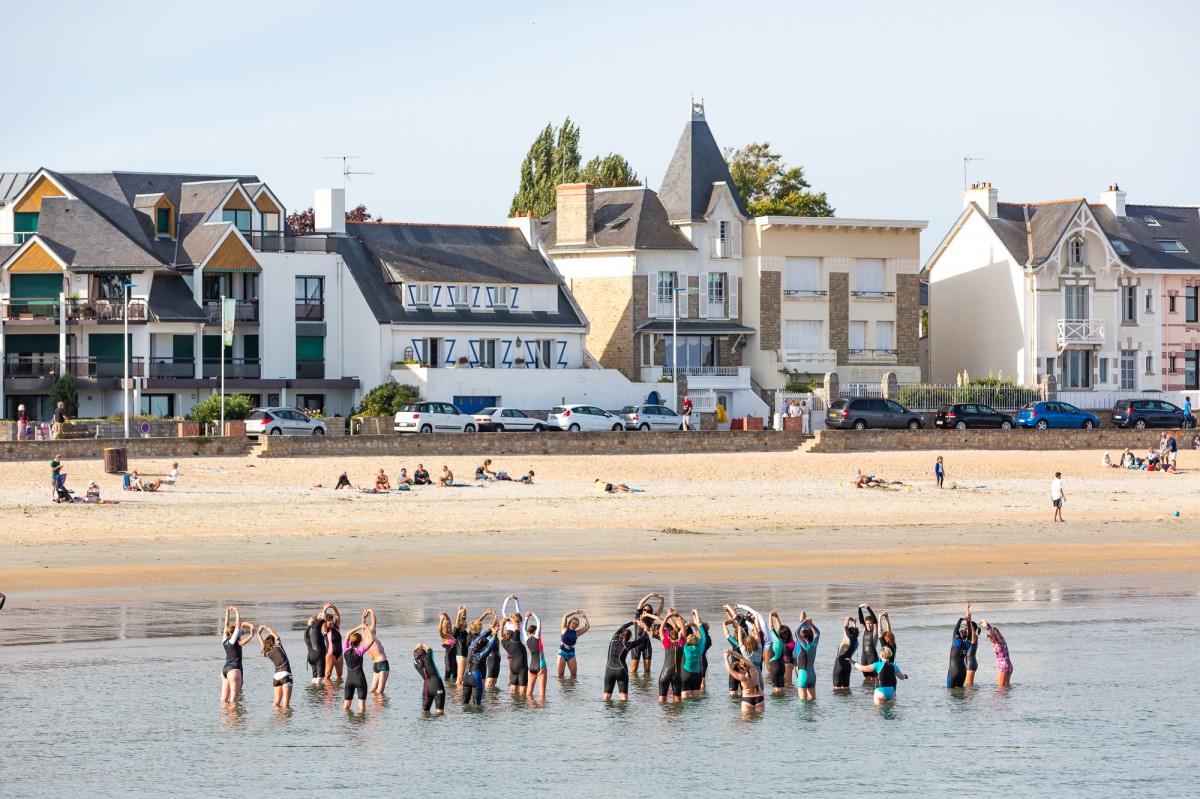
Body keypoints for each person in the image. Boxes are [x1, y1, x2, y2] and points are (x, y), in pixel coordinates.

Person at [602, 619, 648, 701]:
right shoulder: (628, 645)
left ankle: (606, 713)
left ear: (620, 634)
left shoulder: (613, 640)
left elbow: (621, 628)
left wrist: (633, 622)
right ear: (629, 637)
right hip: (621, 670)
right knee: (624, 698)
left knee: (606, 697)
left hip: (609, 670)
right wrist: (645, 629)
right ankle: (622, 713)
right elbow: (641, 640)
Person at [220, 606, 254, 704]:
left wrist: (227, 612)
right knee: (234, 699)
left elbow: (226, 626)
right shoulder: (233, 641)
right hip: (234, 668)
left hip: (224, 670)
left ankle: (223, 717)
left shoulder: (224, 640)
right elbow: (238, 625)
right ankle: (233, 719)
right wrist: (236, 611)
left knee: (223, 699)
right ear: (234, 633)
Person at [463, 620, 498, 707]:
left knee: (465, 703)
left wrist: (490, 630)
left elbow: (480, 637)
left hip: (466, 676)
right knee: (477, 705)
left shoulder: (471, 648)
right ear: (483, 647)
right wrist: (495, 634)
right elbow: (491, 646)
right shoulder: (480, 655)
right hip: (475, 677)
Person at [256, 624, 293, 709]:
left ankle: (277, 719)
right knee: (286, 704)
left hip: (276, 677)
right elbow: (273, 633)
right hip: (286, 674)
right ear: (274, 641)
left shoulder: (267, 652)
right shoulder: (278, 646)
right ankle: (285, 722)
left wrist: (259, 634)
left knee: (276, 702)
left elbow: (263, 646)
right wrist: (265, 627)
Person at [653, 609, 685, 703]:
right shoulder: (681, 645)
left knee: (662, 701)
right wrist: (678, 615)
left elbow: (661, 630)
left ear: (669, 638)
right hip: (677, 675)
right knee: (677, 701)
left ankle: (665, 717)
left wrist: (667, 617)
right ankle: (676, 717)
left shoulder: (667, 645)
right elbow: (683, 629)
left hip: (665, 674)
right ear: (678, 637)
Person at [340, 623, 373, 712]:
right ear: (360, 641)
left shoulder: (345, 649)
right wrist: (366, 627)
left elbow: (347, 634)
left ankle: (346, 724)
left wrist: (359, 627)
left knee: (346, 706)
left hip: (349, 681)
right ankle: (360, 725)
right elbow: (371, 640)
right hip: (360, 680)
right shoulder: (359, 651)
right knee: (361, 707)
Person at [631, 592, 663, 675]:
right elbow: (641, 603)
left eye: (648, 611)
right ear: (642, 610)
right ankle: (633, 686)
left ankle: (647, 687)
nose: (646, 612)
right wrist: (650, 595)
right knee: (634, 669)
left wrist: (662, 600)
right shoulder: (638, 616)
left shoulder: (650, 619)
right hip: (636, 644)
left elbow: (660, 611)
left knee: (647, 669)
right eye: (644, 610)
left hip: (646, 644)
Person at [723, 649, 764, 713]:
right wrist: (731, 652)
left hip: (747, 699)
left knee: (745, 721)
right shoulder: (753, 669)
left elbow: (730, 670)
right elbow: (741, 657)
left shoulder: (743, 677)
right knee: (758, 721)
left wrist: (725, 657)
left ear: (739, 670)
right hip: (760, 698)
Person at [680, 609, 707, 700]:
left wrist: (686, 625)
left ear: (687, 641)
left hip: (686, 674)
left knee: (685, 699)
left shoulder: (686, 648)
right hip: (697, 674)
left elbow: (681, 635)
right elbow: (700, 636)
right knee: (696, 700)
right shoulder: (699, 648)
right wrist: (695, 626)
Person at [412, 643, 446, 714]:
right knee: (439, 713)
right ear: (424, 653)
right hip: (437, 686)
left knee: (424, 713)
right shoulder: (429, 658)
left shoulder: (416, 664)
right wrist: (422, 644)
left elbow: (414, 657)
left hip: (426, 690)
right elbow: (430, 649)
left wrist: (417, 648)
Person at [362, 609, 389, 694]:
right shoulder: (371, 635)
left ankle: (372, 704)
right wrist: (371, 611)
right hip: (382, 662)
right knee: (380, 689)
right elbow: (374, 620)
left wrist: (363, 617)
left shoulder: (364, 637)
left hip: (376, 665)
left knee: (373, 689)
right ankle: (380, 706)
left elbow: (363, 625)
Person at [793, 612, 820, 701]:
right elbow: (818, 633)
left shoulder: (805, 646)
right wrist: (811, 624)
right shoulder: (814, 646)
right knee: (812, 700)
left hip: (803, 675)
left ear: (805, 639)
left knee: (802, 702)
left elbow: (796, 631)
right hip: (812, 675)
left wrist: (803, 622)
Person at [980, 618, 1014, 686]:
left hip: (1003, 666)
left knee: (1000, 690)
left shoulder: (999, 642)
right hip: (1008, 665)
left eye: (990, 638)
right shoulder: (1002, 640)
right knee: (1006, 689)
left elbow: (993, 634)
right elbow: (994, 634)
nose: (990, 641)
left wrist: (986, 625)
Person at [946, 611, 976, 689]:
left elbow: (955, 630)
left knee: (950, 691)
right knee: (961, 695)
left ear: (958, 635)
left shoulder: (956, 642)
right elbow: (970, 634)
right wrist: (968, 621)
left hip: (953, 671)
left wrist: (960, 619)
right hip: (963, 672)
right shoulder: (967, 645)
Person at [557, 609, 590, 678]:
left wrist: (584, 617)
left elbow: (587, 627)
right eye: (573, 623)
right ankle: (560, 688)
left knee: (574, 675)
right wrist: (574, 612)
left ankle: (572, 689)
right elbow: (565, 616)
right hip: (562, 654)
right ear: (569, 623)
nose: (574, 625)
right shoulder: (564, 629)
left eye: (576, 624)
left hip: (571, 655)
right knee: (560, 675)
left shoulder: (577, 633)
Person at [523, 610, 547, 700]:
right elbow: (539, 621)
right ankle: (541, 711)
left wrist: (526, 617)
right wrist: (532, 614)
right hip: (541, 665)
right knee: (542, 694)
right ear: (536, 631)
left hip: (531, 666)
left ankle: (529, 710)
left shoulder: (527, 639)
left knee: (528, 692)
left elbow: (523, 629)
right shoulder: (537, 637)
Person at [832, 616, 859, 689]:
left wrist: (849, 618)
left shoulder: (848, 639)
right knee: (846, 689)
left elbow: (845, 626)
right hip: (848, 666)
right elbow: (855, 633)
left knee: (837, 690)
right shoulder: (856, 642)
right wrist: (854, 624)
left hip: (839, 665)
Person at [304, 612, 329, 684]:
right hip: (318, 655)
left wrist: (317, 617)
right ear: (316, 622)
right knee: (320, 677)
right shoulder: (316, 627)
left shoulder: (306, 630)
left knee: (314, 677)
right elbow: (324, 617)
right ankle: (318, 694)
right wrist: (321, 614)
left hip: (310, 656)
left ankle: (313, 692)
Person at [858, 604, 880, 682]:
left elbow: (875, 620)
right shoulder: (864, 630)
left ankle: (873, 692)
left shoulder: (875, 632)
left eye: (870, 623)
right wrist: (859, 608)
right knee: (866, 679)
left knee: (874, 679)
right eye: (867, 623)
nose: (869, 625)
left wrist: (868, 608)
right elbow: (861, 620)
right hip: (864, 657)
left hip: (872, 657)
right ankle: (865, 693)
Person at [436, 611, 459, 685]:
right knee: (448, 674)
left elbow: (449, 621)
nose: (449, 629)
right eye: (447, 628)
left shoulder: (451, 635)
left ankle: (453, 691)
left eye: (449, 627)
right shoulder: (444, 636)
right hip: (448, 658)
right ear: (443, 628)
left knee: (455, 675)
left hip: (454, 658)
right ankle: (446, 688)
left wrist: (446, 614)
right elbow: (439, 629)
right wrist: (441, 619)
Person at [323, 602, 343, 681]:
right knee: (327, 675)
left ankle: (337, 692)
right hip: (330, 654)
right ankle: (327, 692)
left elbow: (338, 616)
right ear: (326, 622)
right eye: (329, 621)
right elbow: (322, 619)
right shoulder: (326, 630)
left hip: (340, 655)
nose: (331, 622)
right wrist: (324, 609)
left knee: (339, 676)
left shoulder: (336, 627)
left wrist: (334, 607)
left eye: (332, 620)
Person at [962, 604, 981, 686]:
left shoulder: (974, 637)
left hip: (971, 664)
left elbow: (970, 626)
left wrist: (968, 613)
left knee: (969, 686)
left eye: (967, 628)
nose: (965, 629)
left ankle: (973, 699)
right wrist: (966, 609)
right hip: (969, 663)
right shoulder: (970, 638)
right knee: (969, 687)